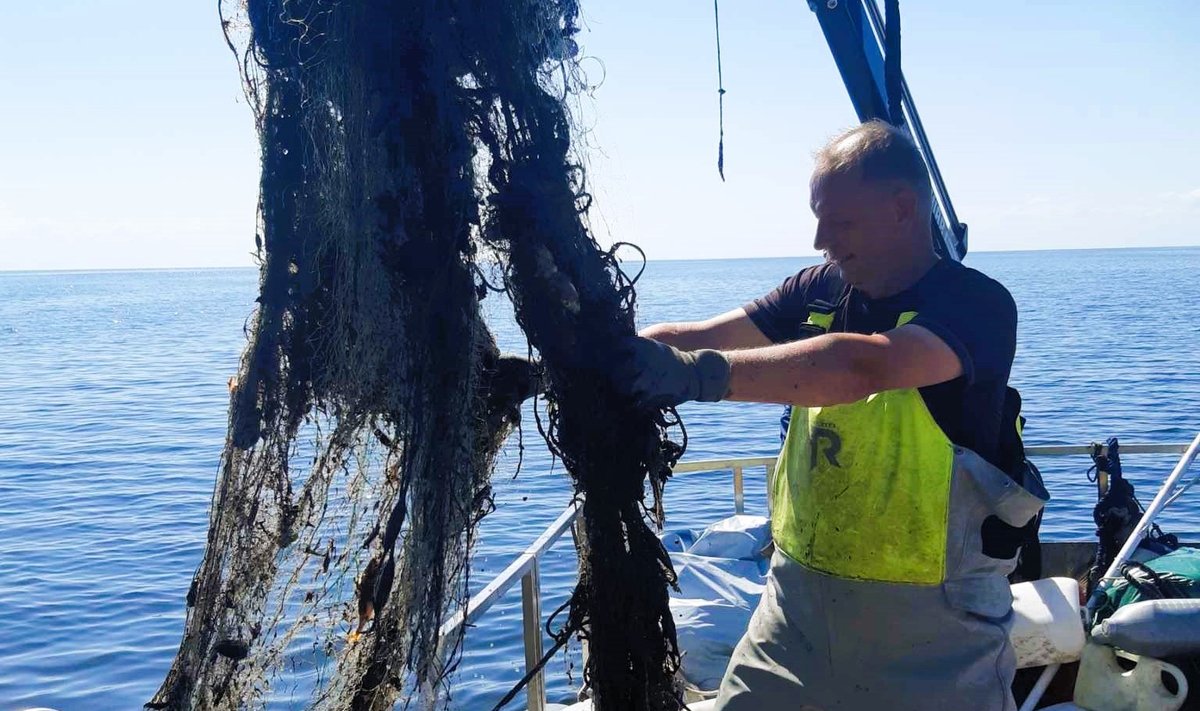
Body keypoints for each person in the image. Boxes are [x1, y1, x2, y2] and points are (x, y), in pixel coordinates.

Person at [613, 120, 1047, 710]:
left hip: (932, 628)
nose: (820, 238)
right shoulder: (818, 289)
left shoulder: (977, 305)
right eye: (817, 217)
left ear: (902, 207)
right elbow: (704, 335)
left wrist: (697, 376)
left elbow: (862, 368)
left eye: (839, 221)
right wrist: (605, 354)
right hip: (794, 608)